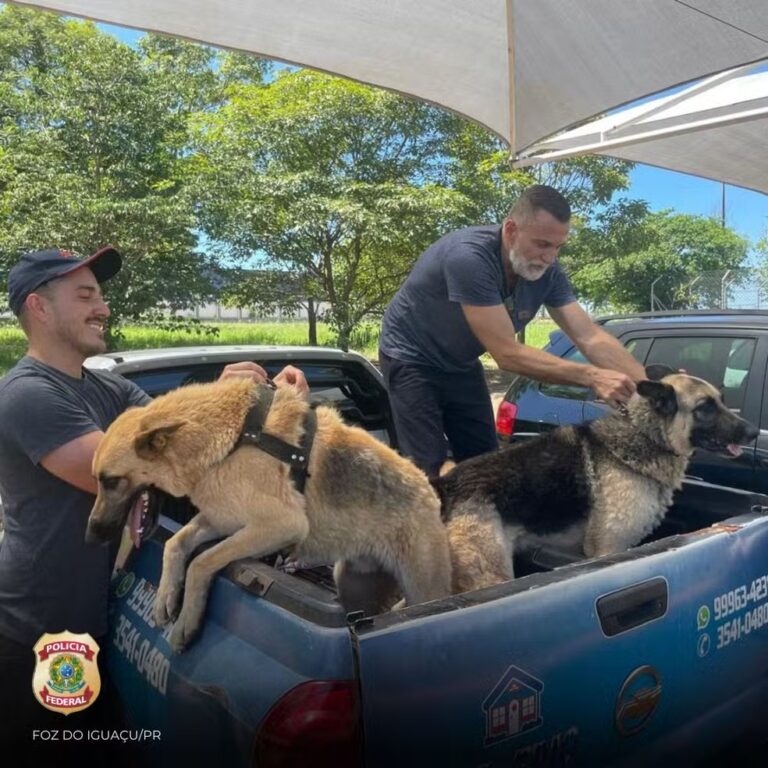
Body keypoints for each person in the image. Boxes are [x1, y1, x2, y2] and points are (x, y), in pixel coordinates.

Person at [0, 246, 308, 766]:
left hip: (93, 616)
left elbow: (179, 431)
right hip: (39, 628)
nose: (103, 307)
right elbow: (120, 470)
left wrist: (249, 394)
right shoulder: (28, 395)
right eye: (85, 296)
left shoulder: (105, 386)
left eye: (100, 295)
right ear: (39, 307)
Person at [379, 184, 646, 478]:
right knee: (425, 469)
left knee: (486, 465)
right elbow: (507, 354)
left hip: (461, 362)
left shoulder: (549, 273)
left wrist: (649, 389)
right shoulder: (469, 258)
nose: (550, 257)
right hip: (411, 356)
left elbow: (589, 336)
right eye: (542, 244)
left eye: (558, 247)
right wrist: (593, 376)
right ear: (510, 230)